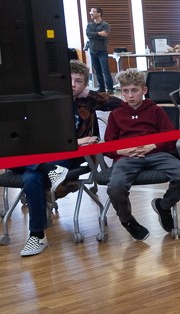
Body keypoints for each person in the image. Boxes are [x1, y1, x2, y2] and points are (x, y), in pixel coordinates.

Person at [8, 61, 122, 256]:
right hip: (44, 152)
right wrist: (77, 141)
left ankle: (36, 235)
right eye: (68, 80)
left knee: (30, 177)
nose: (73, 84)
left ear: (84, 84)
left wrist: (90, 94)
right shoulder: (47, 101)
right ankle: (48, 170)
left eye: (78, 81)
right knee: (15, 161)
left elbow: (118, 104)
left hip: (70, 155)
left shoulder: (87, 100)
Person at [104, 69, 180, 241]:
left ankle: (164, 206)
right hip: (126, 157)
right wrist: (122, 151)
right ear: (121, 91)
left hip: (156, 154)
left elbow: (170, 136)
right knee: (115, 187)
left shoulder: (156, 110)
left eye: (134, 90)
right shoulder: (116, 114)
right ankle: (127, 220)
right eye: (125, 91)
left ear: (144, 90)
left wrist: (150, 146)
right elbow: (108, 144)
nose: (130, 95)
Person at [85, 7, 113, 92]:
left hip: (102, 51)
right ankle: (101, 87)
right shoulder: (89, 25)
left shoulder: (105, 25)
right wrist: (98, 33)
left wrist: (93, 35)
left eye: (93, 12)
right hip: (92, 51)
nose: (91, 13)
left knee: (105, 70)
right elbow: (88, 34)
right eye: (91, 12)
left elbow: (104, 35)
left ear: (99, 13)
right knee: (97, 70)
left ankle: (110, 88)